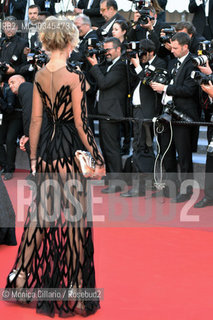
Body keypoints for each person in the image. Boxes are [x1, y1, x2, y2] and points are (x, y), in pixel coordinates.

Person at [5, 16, 105, 317]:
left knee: (40, 213)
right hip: (68, 152)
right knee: (73, 219)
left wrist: (34, 159)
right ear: (71, 41)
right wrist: (97, 156)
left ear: (48, 42)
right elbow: (81, 122)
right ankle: (74, 290)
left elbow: (36, 121)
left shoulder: (39, 75)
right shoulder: (74, 77)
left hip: (48, 152)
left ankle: (20, 276)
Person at [150, 32, 200, 202]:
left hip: (183, 116)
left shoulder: (193, 63)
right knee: (166, 152)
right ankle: (171, 187)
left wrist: (165, 88)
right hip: (167, 115)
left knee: (184, 155)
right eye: (171, 47)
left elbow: (189, 90)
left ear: (186, 47)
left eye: (176, 48)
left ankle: (186, 191)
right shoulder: (173, 62)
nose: (172, 51)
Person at [121, 39, 166, 197]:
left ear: (151, 52)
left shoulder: (160, 63)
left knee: (142, 147)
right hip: (137, 111)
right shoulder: (142, 64)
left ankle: (140, 186)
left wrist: (138, 65)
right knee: (140, 147)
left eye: (143, 53)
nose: (141, 56)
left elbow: (149, 82)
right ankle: (150, 183)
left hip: (147, 112)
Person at [87, 37, 128, 193]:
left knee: (112, 148)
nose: (106, 53)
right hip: (105, 112)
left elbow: (104, 83)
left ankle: (117, 182)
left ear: (118, 49)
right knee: (106, 147)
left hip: (112, 112)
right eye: (105, 50)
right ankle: (111, 178)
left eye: (109, 49)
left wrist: (95, 65)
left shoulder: (121, 66)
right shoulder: (110, 65)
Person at [112, 19, 131, 156]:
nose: (113, 31)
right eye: (113, 29)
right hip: (115, 87)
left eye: (116, 29)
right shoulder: (111, 46)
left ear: (124, 32)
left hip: (126, 86)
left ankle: (126, 144)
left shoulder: (127, 47)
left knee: (126, 118)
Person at [0, 74, 22, 180]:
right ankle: (4, 165)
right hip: (4, 117)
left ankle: (10, 169)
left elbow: (9, 108)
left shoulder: (9, 91)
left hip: (15, 116)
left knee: (10, 141)